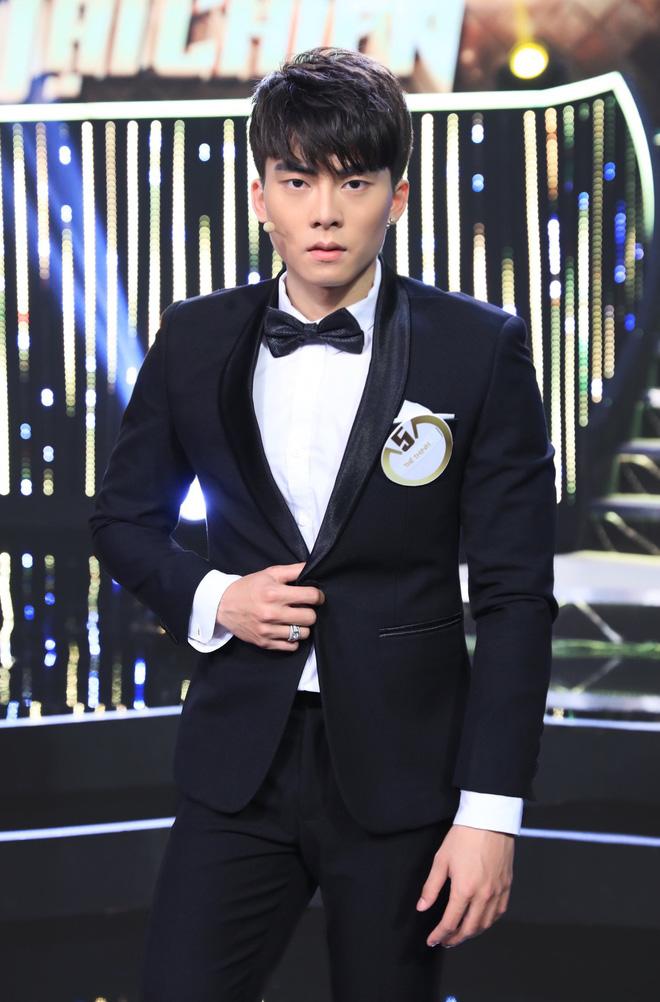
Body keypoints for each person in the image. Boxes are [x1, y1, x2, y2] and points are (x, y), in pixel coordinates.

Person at [90, 46, 558, 1002]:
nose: (326, 212)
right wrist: (217, 597)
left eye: (354, 182)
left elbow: (515, 596)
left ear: (397, 195)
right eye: (298, 181)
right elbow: (122, 520)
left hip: (404, 772)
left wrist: (491, 811)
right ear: (260, 196)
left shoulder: (478, 350)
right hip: (239, 763)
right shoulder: (196, 336)